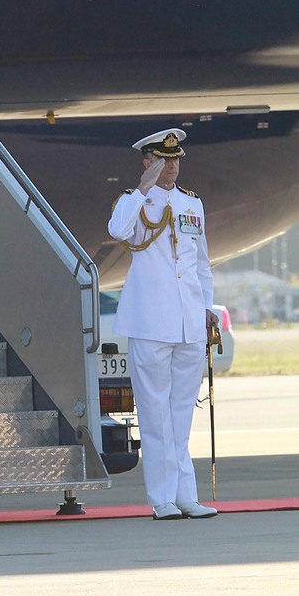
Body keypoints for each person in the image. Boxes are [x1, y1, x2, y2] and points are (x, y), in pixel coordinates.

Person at [108, 128, 219, 520]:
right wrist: (142, 189)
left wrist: (206, 307)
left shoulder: (193, 204)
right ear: (147, 161)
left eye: (174, 160)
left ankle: (186, 494)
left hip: (188, 321)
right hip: (151, 321)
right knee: (154, 413)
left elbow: (201, 263)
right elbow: (117, 231)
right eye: (162, 159)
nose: (170, 166)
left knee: (181, 412)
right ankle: (161, 497)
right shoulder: (134, 201)